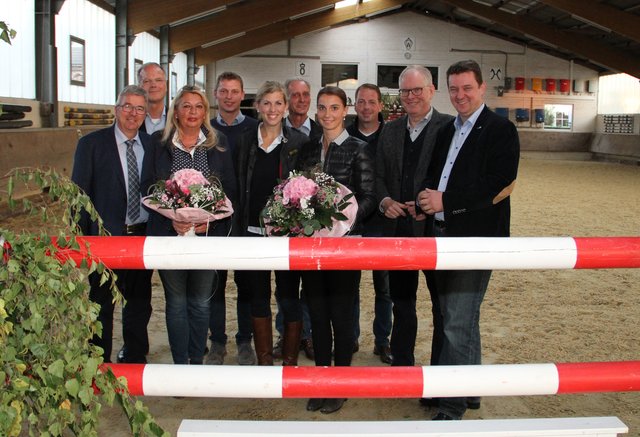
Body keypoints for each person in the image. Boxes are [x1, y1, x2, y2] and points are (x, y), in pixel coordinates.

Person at [417, 59, 520, 420]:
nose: (460, 95)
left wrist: (447, 201)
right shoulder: (447, 129)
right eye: (454, 88)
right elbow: (434, 174)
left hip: (476, 238)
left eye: (467, 88)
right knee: (458, 316)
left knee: (457, 320)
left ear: (482, 89)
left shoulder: (500, 129)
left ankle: (453, 402)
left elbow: (499, 182)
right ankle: (471, 388)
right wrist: (424, 198)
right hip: (441, 235)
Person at [297, 86, 375, 414]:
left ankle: (340, 384)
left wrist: (342, 225)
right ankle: (322, 381)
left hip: (343, 249)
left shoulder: (358, 149)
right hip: (313, 248)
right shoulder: (307, 149)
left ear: (345, 111)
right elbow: (295, 191)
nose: (327, 114)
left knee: (341, 318)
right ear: (316, 112)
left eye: (334, 108)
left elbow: (369, 197)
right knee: (317, 316)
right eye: (322, 108)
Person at [147, 85, 237, 365]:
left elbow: (228, 191)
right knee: (176, 304)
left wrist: (206, 225)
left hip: (205, 239)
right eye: (186, 106)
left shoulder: (218, 143)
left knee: (200, 302)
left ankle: (196, 360)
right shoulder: (158, 144)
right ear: (175, 111)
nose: (192, 112)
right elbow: (148, 189)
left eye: (198, 107)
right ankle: (180, 362)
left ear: (205, 112)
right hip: (169, 237)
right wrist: (170, 220)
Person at [376, 65, 453, 370]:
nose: (410, 97)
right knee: (402, 304)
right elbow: (379, 175)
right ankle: (402, 368)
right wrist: (384, 202)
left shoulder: (449, 128)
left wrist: (431, 202)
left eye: (417, 90)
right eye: (405, 91)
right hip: (399, 233)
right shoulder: (390, 130)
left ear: (431, 90)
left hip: (436, 234)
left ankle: (440, 374)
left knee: (442, 308)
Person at [71, 85, 154, 364]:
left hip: (141, 236)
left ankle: (134, 354)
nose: (133, 113)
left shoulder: (153, 146)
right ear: (117, 109)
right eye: (127, 106)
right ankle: (98, 358)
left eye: (139, 108)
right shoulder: (92, 145)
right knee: (101, 301)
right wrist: (82, 238)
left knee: (139, 301)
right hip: (104, 239)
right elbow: (79, 195)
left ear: (146, 113)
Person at [233, 81, 309, 366]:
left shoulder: (299, 143)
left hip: (286, 236)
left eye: (278, 103)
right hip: (252, 232)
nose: (272, 109)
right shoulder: (243, 140)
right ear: (257, 106)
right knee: (258, 295)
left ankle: (289, 358)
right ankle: (264, 358)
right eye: (267, 103)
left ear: (286, 107)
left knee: (289, 295)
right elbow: (239, 188)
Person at [206, 71, 259, 366]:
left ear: (242, 95)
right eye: (223, 91)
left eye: (234, 91)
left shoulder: (254, 127)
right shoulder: (206, 129)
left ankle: (245, 340)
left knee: (246, 284)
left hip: (245, 218)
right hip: (214, 220)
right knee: (215, 283)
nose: (228, 96)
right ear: (216, 95)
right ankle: (217, 341)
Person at [272, 78, 320, 362]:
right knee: (286, 285)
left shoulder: (318, 132)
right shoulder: (277, 130)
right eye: (295, 95)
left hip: (312, 223)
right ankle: (285, 334)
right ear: (287, 100)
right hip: (283, 222)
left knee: (311, 285)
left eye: (305, 94)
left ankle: (309, 334)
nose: (301, 100)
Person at [346, 83, 392, 364]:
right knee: (350, 286)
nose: (366, 107)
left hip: (382, 221)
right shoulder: (344, 134)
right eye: (361, 102)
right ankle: (351, 336)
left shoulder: (392, 135)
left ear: (380, 106)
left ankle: (382, 340)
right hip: (351, 222)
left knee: (384, 287)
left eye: (371, 102)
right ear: (355, 105)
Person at [137, 62, 167, 134]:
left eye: (158, 80)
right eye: (147, 81)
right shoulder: (129, 120)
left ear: (166, 85)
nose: (153, 85)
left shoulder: (179, 120)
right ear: (139, 87)